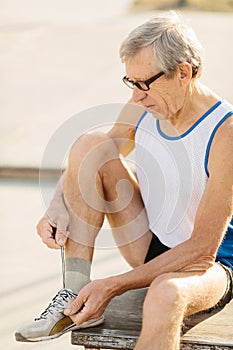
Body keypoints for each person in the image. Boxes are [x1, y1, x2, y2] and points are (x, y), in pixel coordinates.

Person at [15, 11, 233, 350]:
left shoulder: (225, 134)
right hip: (151, 244)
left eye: (144, 84)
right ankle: (74, 291)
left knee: (164, 295)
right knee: (90, 144)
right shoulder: (145, 106)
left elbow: (203, 250)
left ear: (184, 73)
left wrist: (113, 285)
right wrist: (57, 207)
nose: (136, 97)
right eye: (130, 83)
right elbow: (87, 161)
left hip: (212, 266)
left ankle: (105, 293)